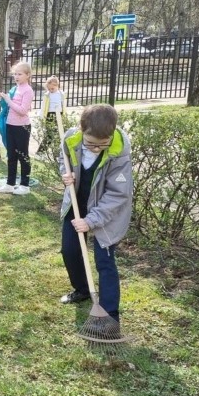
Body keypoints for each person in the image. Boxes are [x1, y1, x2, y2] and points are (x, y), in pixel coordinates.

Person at [59, 104, 132, 326]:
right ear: (82, 131)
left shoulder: (119, 151)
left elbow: (118, 194)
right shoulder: (71, 138)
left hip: (106, 212)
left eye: (103, 144)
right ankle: (82, 289)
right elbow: (63, 158)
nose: (97, 149)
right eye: (91, 143)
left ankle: (110, 315)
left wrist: (91, 221)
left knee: (105, 261)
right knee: (70, 250)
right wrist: (65, 173)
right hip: (77, 203)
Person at [0, 61, 33, 195]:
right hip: (10, 125)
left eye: (20, 74)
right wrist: (0, 99)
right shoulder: (15, 88)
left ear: (27, 75)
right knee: (11, 156)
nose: (16, 76)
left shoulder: (28, 90)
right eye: (15, 74)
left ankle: (25, 185)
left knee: (23, 156)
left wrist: (8, 100)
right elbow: (7, 106)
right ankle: (10, 184)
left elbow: (22, 110)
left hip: (22, 127)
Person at [37, 75, 65, 154]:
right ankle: (41, 151)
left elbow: (63, 105)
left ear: (57, 86)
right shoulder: (47, 95)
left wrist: (64, 115)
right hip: (50, 115)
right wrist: (41, 116)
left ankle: (57, 152)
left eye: (52, 88)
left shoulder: (61, 94)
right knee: (49, 134)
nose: (50, 90)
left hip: (59, 114)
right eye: (49, 89)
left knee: (59, 133)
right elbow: (43, 106)